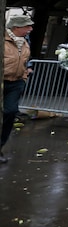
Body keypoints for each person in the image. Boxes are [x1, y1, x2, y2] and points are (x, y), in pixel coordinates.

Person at [2, 13, 34, 163]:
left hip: (15, 83)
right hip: (2, 80)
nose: (30, 29)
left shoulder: (25, 41)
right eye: (27, 26)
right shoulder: (4, 39)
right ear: (16, 27)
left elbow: (26, 60)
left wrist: (24, 78)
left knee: (10, 112)